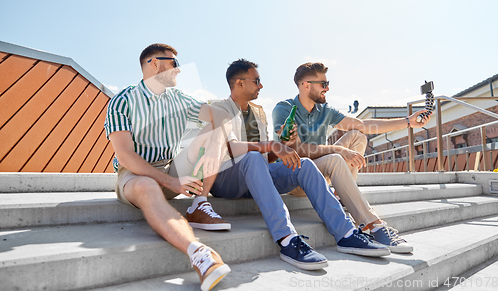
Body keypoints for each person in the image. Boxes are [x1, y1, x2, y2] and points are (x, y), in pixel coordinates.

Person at [209, 59, 390, 272]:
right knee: (253, 156)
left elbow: (268, 158)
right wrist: (271, 145)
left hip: (256, 175)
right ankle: (287, 239)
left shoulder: (258, 113)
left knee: (303, 164)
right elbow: (231, 148)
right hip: (225, 179)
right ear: (239, 83)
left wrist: (285, 146)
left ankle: (346, 234)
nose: (261, 85)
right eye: (256, 80)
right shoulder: (218, 108)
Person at [104, 43, 232, 291]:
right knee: (145, 185)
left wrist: (216, 145)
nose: (179, 70)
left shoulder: (179, 98)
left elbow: (222, 117)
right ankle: (200, 254)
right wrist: (171, 182)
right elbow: (126, 155)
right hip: (135, 174)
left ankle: (199, 203)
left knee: (213, 131)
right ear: (154, 63)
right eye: (174, 63)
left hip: (172, 168)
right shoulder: (123, 101)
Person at [272, 62, 432, 254]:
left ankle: (341, 195)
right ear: (306, 85)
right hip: (295, 176)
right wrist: (339, 150)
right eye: (323, 83)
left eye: (327, 83)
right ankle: (372, 225)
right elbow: (295, 149)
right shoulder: (284, 109)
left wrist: (408, 122)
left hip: (320, 171)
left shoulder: (324, 111)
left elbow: (362, 124)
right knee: (335, 158)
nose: (327, 88)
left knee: (358, 135)